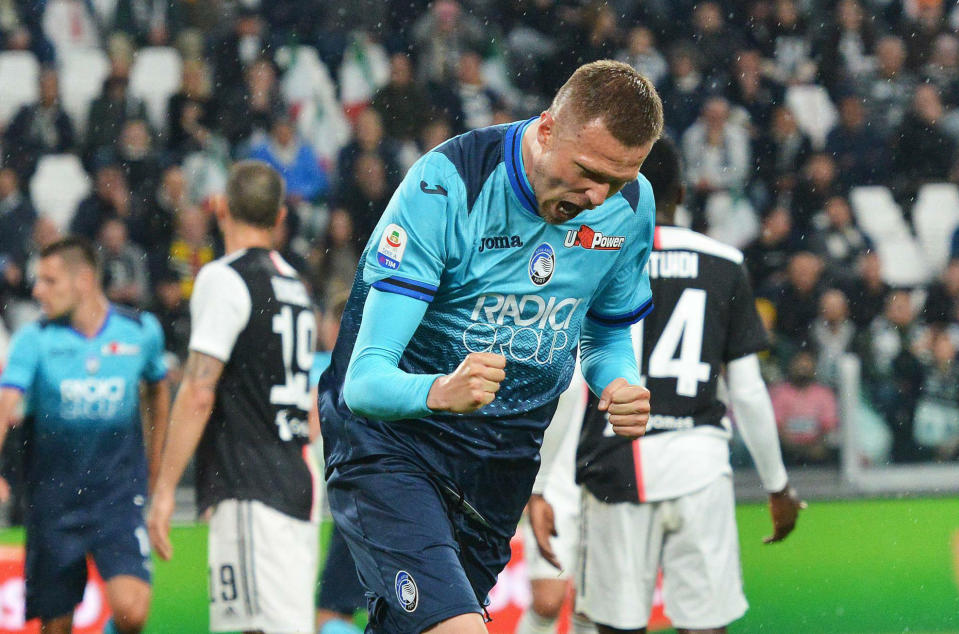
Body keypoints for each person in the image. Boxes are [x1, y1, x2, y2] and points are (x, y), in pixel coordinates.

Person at [317, 60, 662, 634]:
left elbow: (604, 333)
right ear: (547, 129)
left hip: (502, 463)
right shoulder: (448, 185)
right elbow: (365, 380)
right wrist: (442, 390)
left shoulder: (631, 208)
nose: (600, 196)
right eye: (588, 171)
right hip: (394, 447)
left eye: (619, 180)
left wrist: (617, 381)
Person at [530, 137, 804, 634]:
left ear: (617, 192)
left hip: (616, 469)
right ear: (680, 191)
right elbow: (746, 390)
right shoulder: (724, 263)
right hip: (699, 467)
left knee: (615, 627)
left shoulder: (591, 261)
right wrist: (778, 486)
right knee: (705, 628)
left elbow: (568, 386)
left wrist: (544, 486)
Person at [147, 161, 320, 633]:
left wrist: (163, 491)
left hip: (250, 485)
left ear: (221, 208)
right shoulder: (294, 287)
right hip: (295, 479)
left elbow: (199, 390)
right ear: (280, 217)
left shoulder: (225, 278)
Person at [0, 237, 169, 633]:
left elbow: (158, 388)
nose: (37, 290)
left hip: (118, 497)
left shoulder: (140, 332)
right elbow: (5, 405)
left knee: (132, 611)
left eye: (49, 280)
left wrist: (156, 463)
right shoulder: (34, 340)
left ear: (84, 280)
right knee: (56, 626)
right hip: (52, 502)